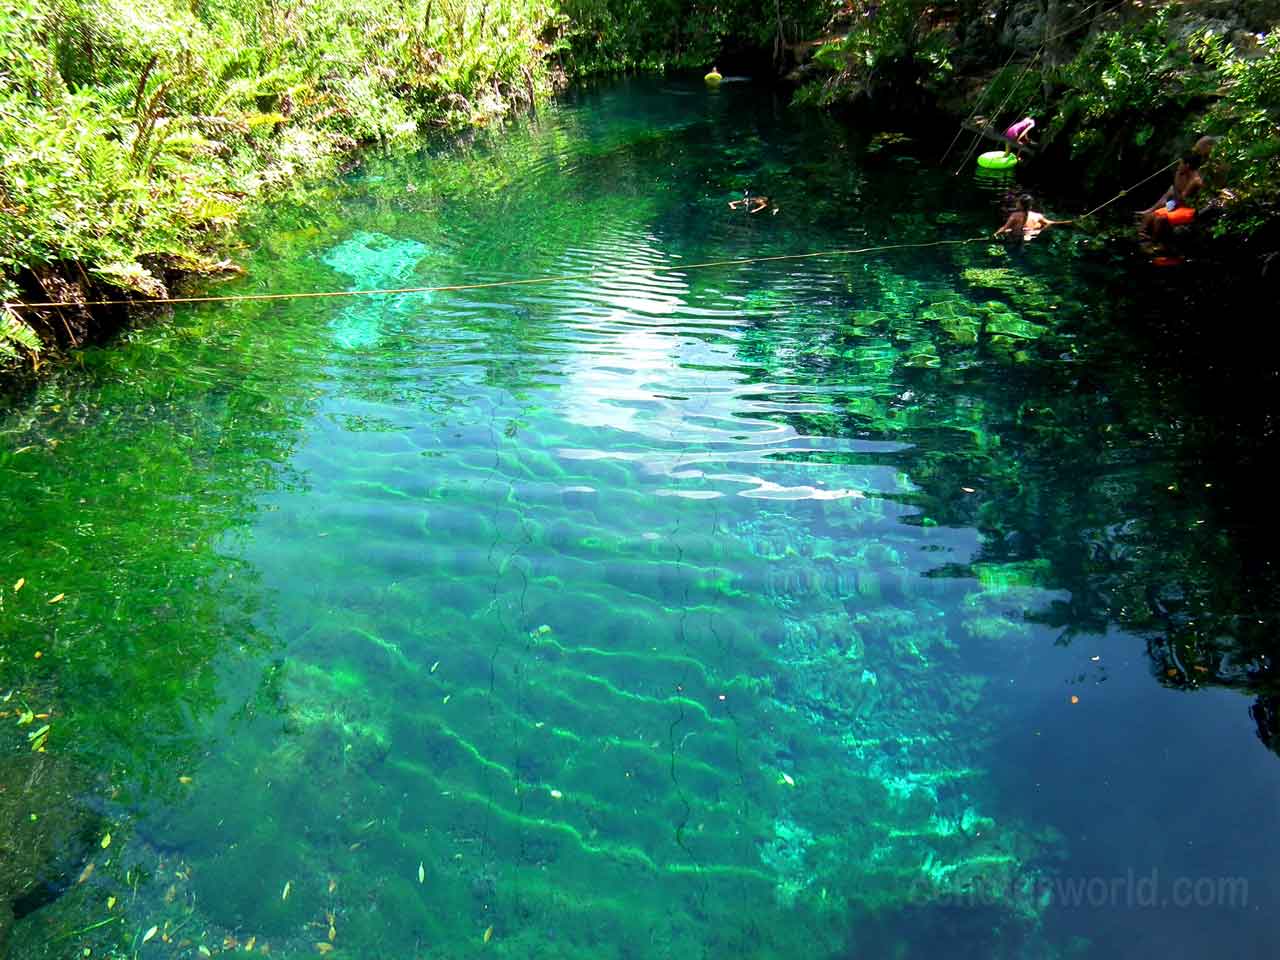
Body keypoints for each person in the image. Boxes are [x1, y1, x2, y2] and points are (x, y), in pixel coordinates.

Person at [1139, 152, 1205, 242]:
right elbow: (1176, 191)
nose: (1178, 167)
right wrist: (1176, 182)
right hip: (1177, 205)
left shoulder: (1195, 180)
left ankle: (1154, 242)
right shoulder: (1181, 174)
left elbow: (1181, 198)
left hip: (1189, 209)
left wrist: (1170, 200)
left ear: (1187, 165)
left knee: (1160, 219)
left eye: (1180, 164)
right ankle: (1141, 234)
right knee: (1151, 215)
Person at [995, 194, 1071, 240]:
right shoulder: (1037, 216)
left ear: (1020, 204)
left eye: (1017, 202)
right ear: (1030, 205)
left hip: (1017, 238)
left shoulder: (1014, 215)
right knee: (1039, 224)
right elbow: (1050, 223)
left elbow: (1004, 228)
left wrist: (996, 234)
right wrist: (1040, 231)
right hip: (1031, 236)